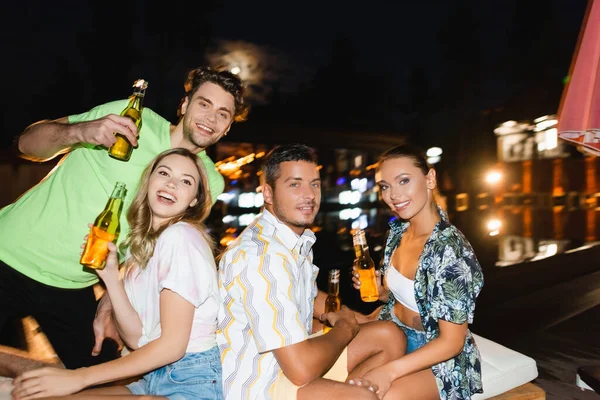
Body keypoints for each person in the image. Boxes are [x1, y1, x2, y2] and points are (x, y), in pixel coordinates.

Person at [0, 66, 248, 374]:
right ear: (184, 105)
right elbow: (25, 144)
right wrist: (79, 131)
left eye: (223, 114)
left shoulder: (209, 181)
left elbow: (151, 246)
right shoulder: (127, 118)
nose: (210, 118)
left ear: (227, 128)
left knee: (105, 383)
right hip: (9, 252)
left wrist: (109, 301)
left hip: (75, 284)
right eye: (204, 104)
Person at [12, 147, 223, 399]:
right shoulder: (140, 249)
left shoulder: (181, 237)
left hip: (191, 379)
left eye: (186, 181)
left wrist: (80, 376)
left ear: (194, 200)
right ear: (148, 183)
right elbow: (136, 339)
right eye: (164, 173)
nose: (171, 184)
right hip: (153, 378)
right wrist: (111, 277)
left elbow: (172, 347)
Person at [217, 144, 406, 400]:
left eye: (314, 184)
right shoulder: (262, 256)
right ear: (269, 193)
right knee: (362, 398)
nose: (309, 195)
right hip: (261, 385)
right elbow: (301, 369)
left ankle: (346, 391)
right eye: (295, 185)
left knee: (389, 336)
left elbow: (308, 292)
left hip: (287, 365)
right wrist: (346, 329)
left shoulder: (292, 238)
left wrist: (361, 319)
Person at [351, 143, 484, 399]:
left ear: (429, 178)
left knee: (381, 396)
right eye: (385, 187)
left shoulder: (450, 251)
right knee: (342, 382)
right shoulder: (398, 231)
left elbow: (451, 343)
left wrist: (389, 372)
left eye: (403, 181)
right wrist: (381, 292)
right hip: (392, 332)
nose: (393, 195)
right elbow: (405, 298)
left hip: (438, 355)